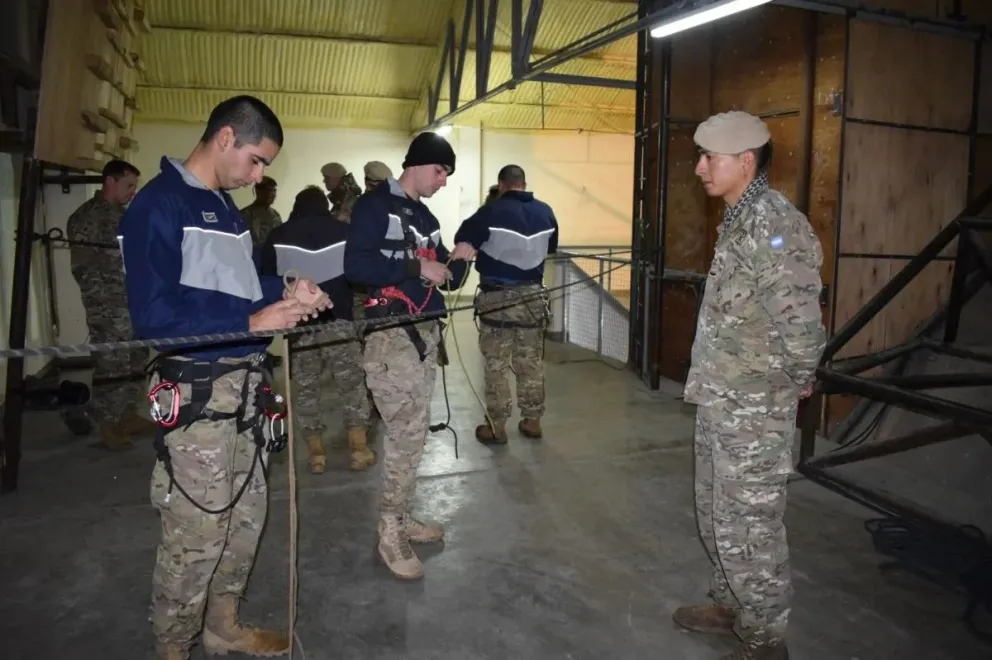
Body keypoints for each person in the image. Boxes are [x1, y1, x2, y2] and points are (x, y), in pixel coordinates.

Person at [118, 95, 330, 660]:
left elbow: (240, 289)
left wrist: (287, 290)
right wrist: (252, 321)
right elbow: (153, 318)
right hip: (198, 390)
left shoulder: (225, 209)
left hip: (245, 387)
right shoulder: (157, 205)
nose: (258, 176)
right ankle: (173, 646)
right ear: (226, 138)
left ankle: (221, 626)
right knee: (198, 530)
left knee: (244, 516)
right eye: (257, 161)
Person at [673, 111, 826, 660]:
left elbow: (801, 322)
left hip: (755, 405)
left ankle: (765, 638)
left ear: (744, 161)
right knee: (716, 509)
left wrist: (799, 376)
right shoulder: (739, 218)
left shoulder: (773, 224)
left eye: (708, 158)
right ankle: (730, 604)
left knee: (750, 523)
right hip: (722, 397)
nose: (699, 168)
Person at [344, 130, 475, 581]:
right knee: (406, 433)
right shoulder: (374, 206)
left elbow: (447, 278)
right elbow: (356, 267)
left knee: (414, 435)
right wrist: (417, 266)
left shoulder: (427, 218)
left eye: (446, 174)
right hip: (391, 336)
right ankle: (390, 529)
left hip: (424, 336)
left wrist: (460, 259)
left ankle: (399, 515)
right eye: (439, 170)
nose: (443, 181)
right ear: (417, 164)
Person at [260, 185, 376, 473]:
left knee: (306, 389)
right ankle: (359, 450)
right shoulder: (345, 232)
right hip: (339, 322)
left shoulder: (278, 235)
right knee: (351, 385)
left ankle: (316, 455)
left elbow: (266, 279)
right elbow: (360, 275)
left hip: (300, 326)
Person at [454, 165, 558, 445]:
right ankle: (533, 421)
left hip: (496, 299)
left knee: (496, 363)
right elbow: (550, 248)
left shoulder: (489, 213)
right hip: (532, 298)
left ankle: (496, 426)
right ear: (524, 183)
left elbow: (463, 240)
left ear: (501, 185)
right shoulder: (546, 212)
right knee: (530, 360)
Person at [66, 158, 153, 450]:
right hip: (108, 306)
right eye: (128, 185)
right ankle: (108, 423)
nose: (132, 192)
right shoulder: (87, 218)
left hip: (134, 302)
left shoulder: (126, 217)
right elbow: (83, 269)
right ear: (110, 181)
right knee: (112, 363)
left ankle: (128, 414)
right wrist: (106, 305)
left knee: (136, 359)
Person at [239, 175, 282, 245]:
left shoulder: (275, 215)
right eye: (269, 190)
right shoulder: (245, 215)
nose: (273, 194)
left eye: (274, 190)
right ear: (258, 191)